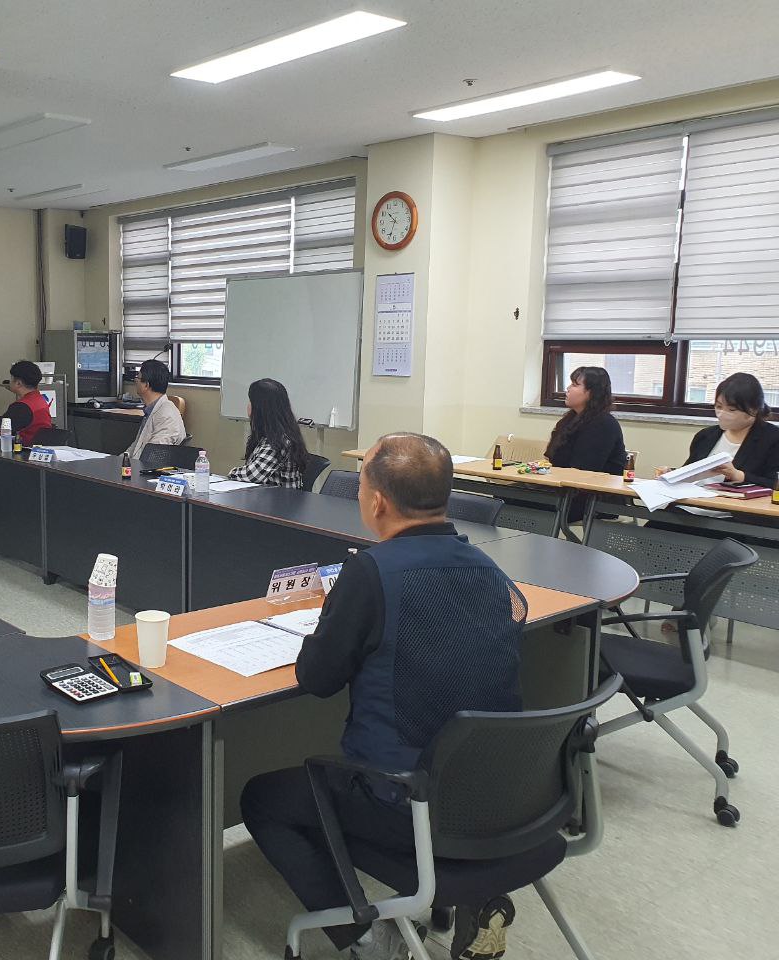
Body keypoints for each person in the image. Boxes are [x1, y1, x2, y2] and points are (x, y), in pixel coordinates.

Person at [240, 432, 526, 960]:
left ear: (375, 502)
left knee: (262, 798)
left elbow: (318, 679)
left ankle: (363, 940)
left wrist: (330, 621)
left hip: (403, 800)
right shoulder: (490, 572)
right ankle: (464, 896)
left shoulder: (372, 572)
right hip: (497, 795)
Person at [657, 372, 779, 487]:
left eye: (731, 409)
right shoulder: (705, 436)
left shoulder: (772, 438)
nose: (721, 414)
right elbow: (690, 471)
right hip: (689, 503)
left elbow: (773, 482)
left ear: (754, 410)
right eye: (719, 406)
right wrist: (671, 474)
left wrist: (738, 475)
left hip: (728, 507)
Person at [545, 366, 626, 523]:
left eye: (575, 385)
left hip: (592, 499)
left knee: (514, 500)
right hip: (565, 490)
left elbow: (583, 470)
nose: (567, 389)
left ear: (591, 392)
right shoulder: (569, 420)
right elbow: (553, 459)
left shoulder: (603, 424)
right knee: (508, 494)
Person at [227, 378, 309, 488]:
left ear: (260, 408)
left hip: (282, 502)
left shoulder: (280, 439)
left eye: (250, 401)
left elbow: (254, 475)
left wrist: (233, 472)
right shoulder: (269, 435)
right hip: (267, 498)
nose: (248, 405)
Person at [125, 359, 187, 458]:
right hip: (136, 467)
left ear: (146, 385)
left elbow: (153, 456)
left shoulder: (166, 415)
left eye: (138, 377)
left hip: (146, 470)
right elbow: (135, 447)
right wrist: (117, 463)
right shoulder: (152, 410)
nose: (135, 380)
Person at [0, 360, 53, 446]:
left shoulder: (21, 407)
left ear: (18, 383)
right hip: (40, 450)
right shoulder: (40, 399)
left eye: (11, 379)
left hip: (23, 453)